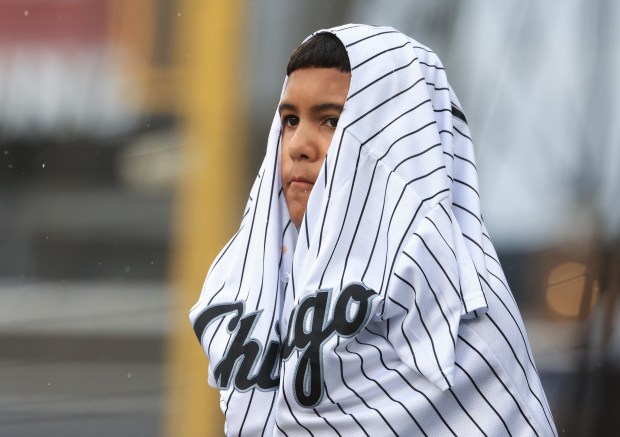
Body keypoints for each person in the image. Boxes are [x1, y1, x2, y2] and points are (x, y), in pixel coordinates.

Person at [190, 24, 557, 436]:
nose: (297, 145)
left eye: (330, 121)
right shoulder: (261, 285)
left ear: (396, 138)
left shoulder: (462, 312)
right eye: (290, 120)